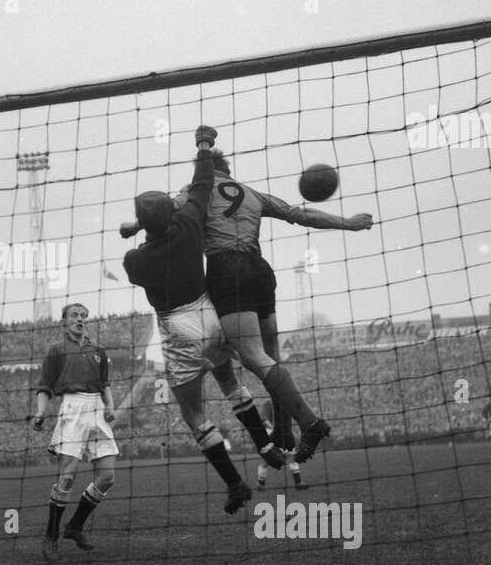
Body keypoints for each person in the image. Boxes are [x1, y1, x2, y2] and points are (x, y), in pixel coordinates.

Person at [178, 127, 374, 466]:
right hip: (260, 270)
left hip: (228, 270)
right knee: (273, 355)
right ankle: (283, 430)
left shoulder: (196, 191)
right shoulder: (250, 192)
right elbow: (300, 215)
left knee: (254, 358)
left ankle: (311, 423)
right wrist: (349, 223)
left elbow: (167, 216)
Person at [121, 130, 283, 515]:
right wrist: (204, 145)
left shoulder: (135, 262)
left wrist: (137, 231)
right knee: (229, 381)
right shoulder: (192, 220)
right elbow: (202, 180)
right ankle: (265, 445)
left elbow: (145, 248)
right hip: (210, 314)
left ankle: (235, 484)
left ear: (146, 224)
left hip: (178, 328)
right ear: (173, 212)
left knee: (194, 414)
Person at [30, 303, 119, 560]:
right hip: (73, 407)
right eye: (74, 316)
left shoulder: (98, 351)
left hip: (97, 409)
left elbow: (105, 384)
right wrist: (40, 412)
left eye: (83, 316)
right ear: (64, 322)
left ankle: (75, 526)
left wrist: (110, 405)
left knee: (107, 477)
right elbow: (45, 386)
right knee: (67, 476)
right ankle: (51, 535)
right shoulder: (56, 351)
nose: (79, 320)